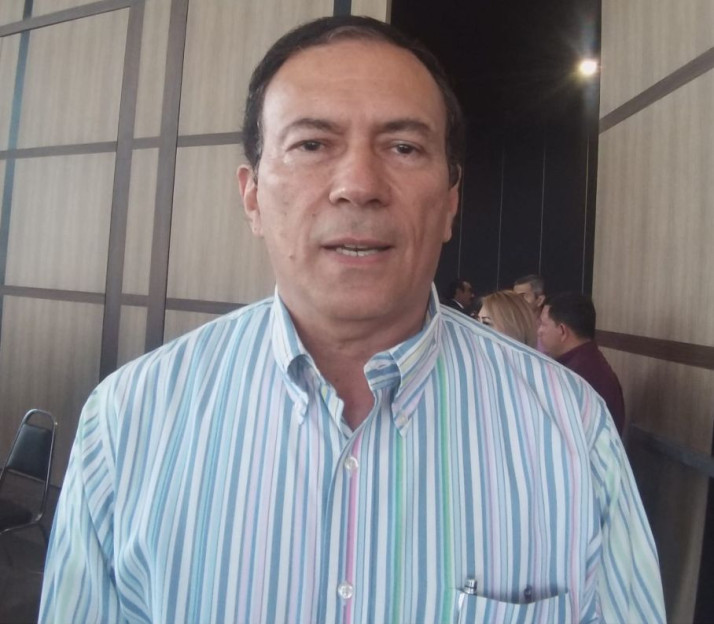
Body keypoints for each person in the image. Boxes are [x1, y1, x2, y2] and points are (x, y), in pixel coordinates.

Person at [40, 16, 665, 624]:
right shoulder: (126, 422)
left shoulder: (570, 427)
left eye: (403, 147)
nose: (359, 184)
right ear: (252, 196)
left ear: (451, 202)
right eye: (312, 144)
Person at [538, 292, 626, 435]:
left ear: (562, 331)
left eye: (543, 324)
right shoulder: (586, 362)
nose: (539, 331)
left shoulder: (577, 376)